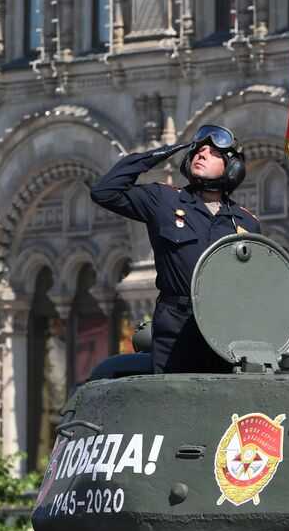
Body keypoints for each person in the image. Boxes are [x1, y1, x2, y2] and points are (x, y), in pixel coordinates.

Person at [90, 124, 261, 373]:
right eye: (199, 150)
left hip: (224, 327)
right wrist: (156, 155)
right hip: (175, 326)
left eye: (213, 153)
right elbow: (105, 192)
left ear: (232, 169)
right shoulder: (164, 200)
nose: (202, 154)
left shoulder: (246, 223)